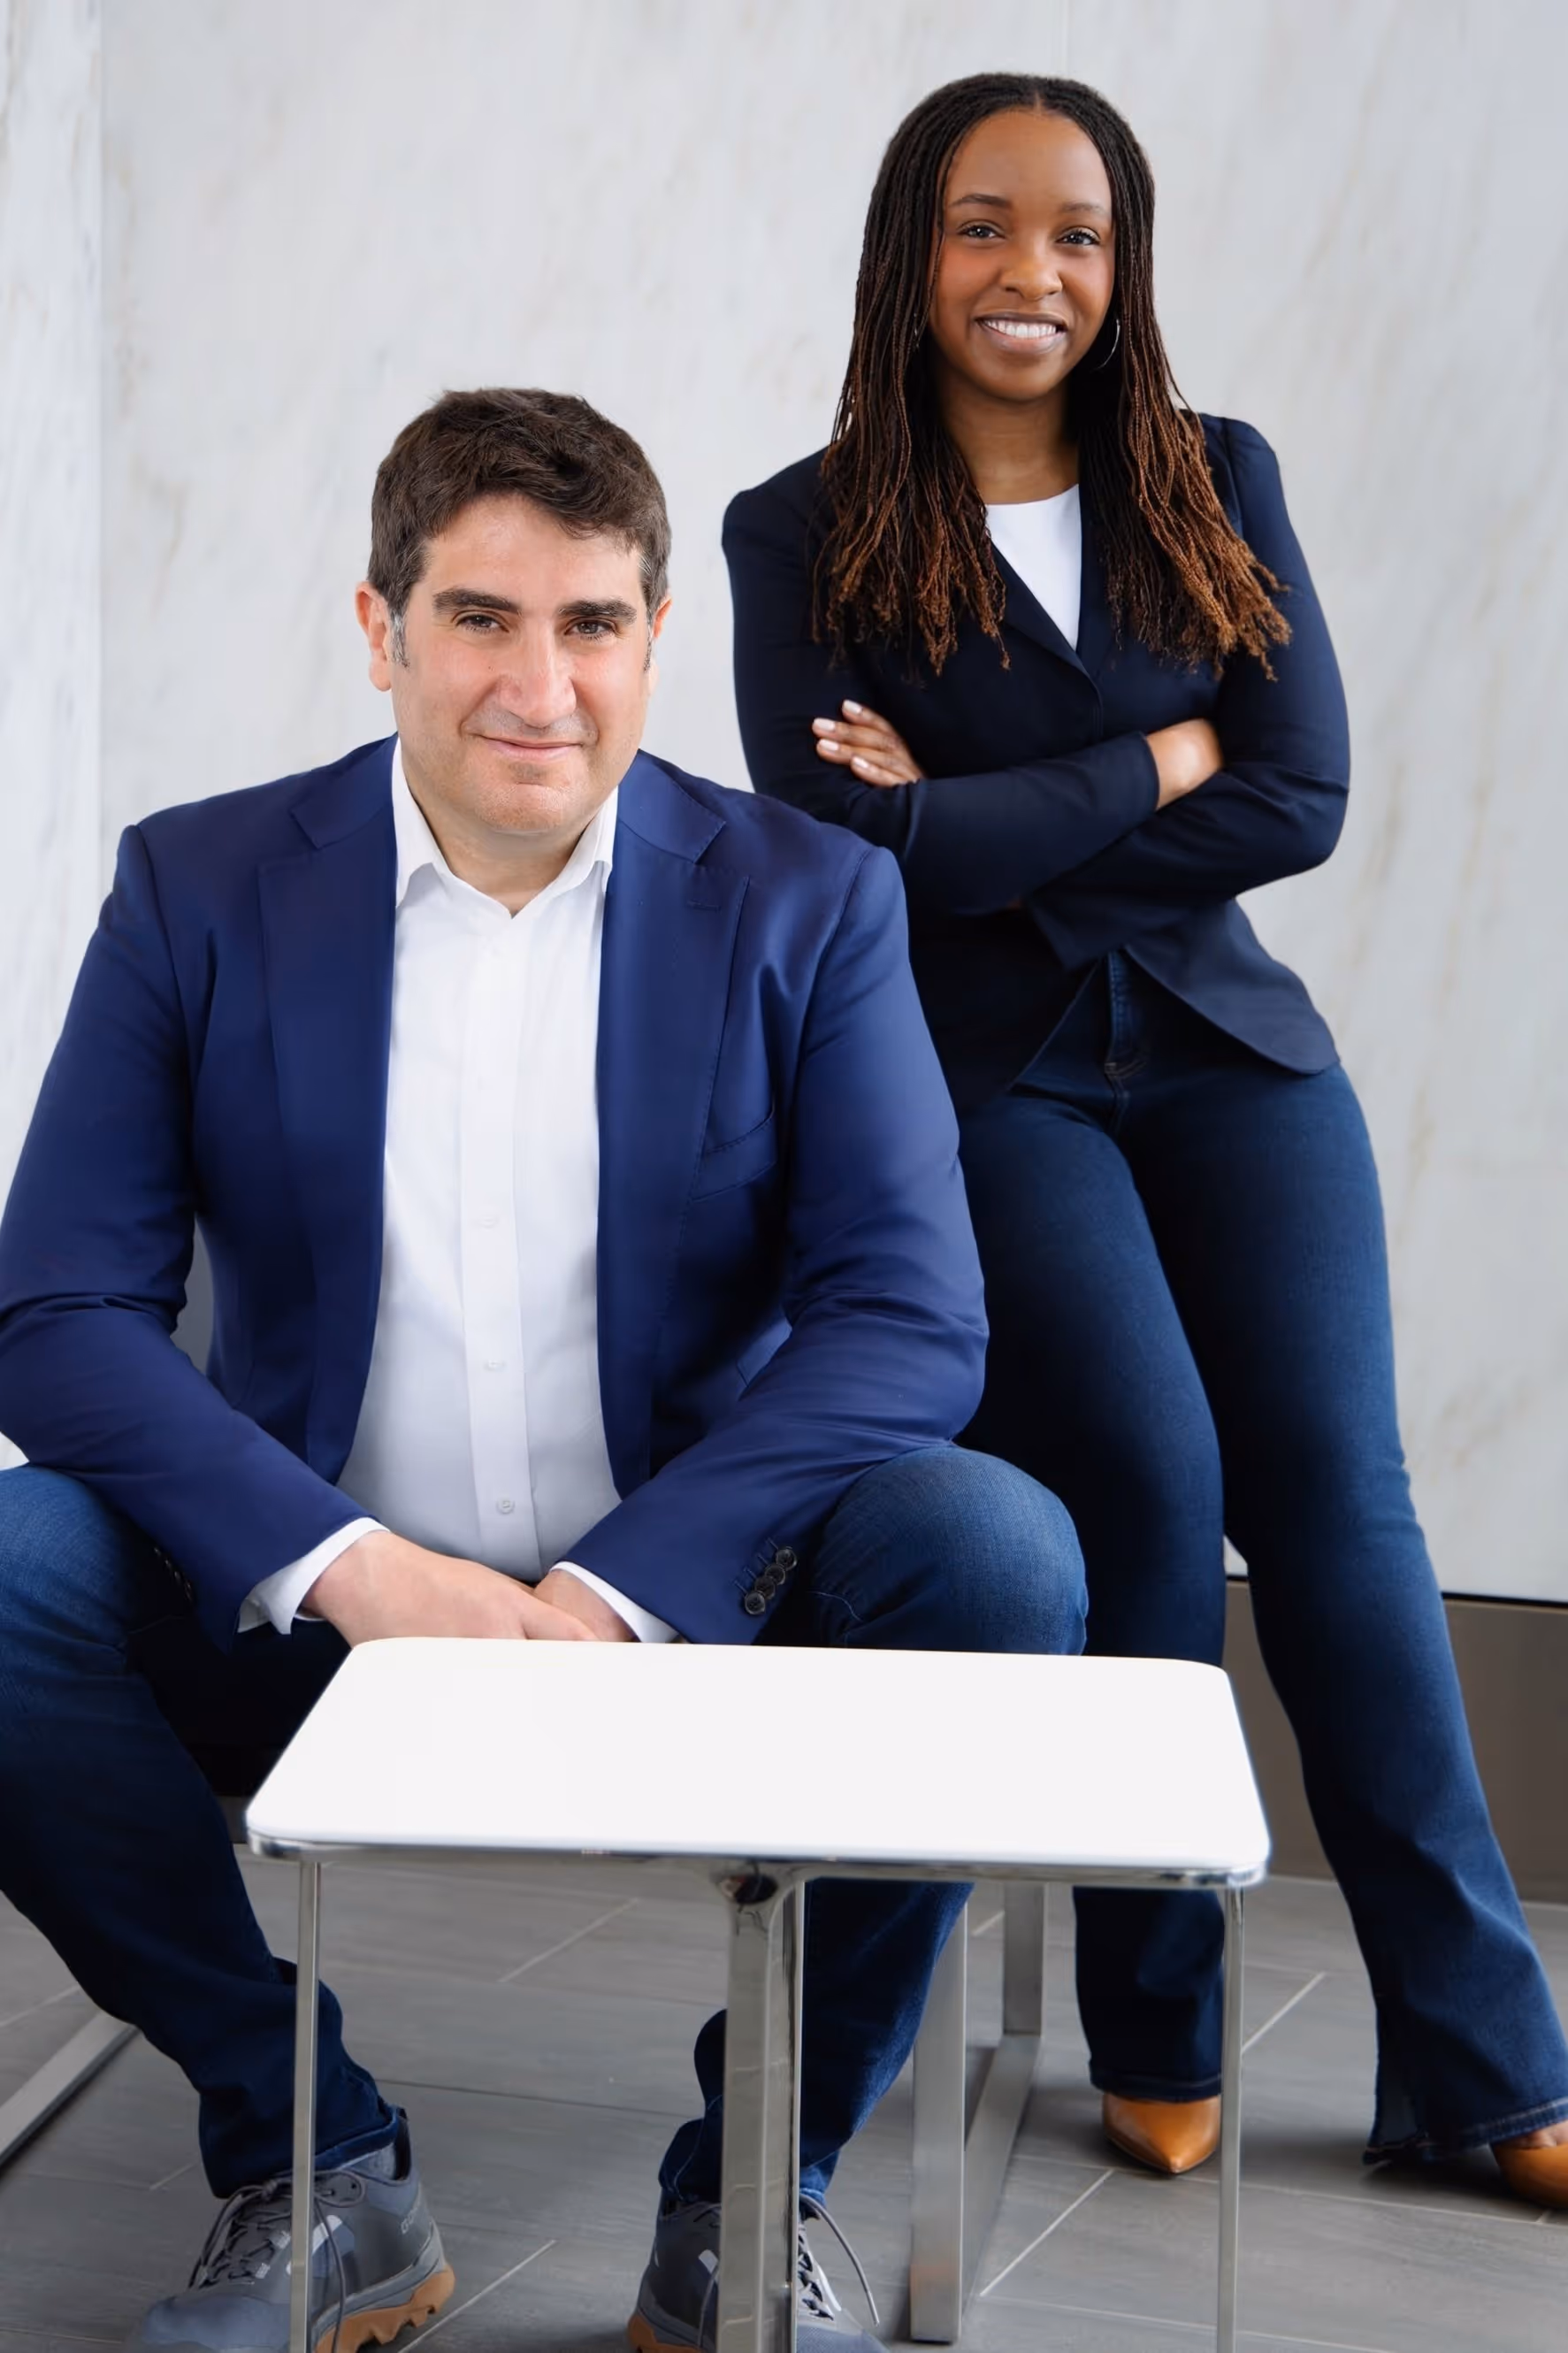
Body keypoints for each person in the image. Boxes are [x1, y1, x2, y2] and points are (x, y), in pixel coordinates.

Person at [0, 387, 1088, 2352]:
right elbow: (58, 1312)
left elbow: (911, 1313)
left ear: (652, 640)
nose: (541, 681)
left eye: (591, 624)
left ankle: (759, 2190)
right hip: (313, 1613)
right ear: (378, 625)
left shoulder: (805, 900)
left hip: (698, 1605)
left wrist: (619, 1586)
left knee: (997, 1556)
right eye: (482, 617)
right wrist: (355, 1568)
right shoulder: (199, 885)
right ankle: (310, 2150)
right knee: (1, 1575)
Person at [722, 72, 1568, 2206]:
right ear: (914, 247)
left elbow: (1300, 795)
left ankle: (1486, 2067)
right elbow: (850, 861)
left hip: (1230, 1054)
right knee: (1152, 1494)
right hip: (990, 1086)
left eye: (1079, 233)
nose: (1034, 273)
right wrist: (1154, 756)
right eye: (987, 226)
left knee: (1345, 1519)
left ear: (1126, 262)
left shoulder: (1213, 474)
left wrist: (983, 815)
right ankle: (1157, 2022)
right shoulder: (795, 530)